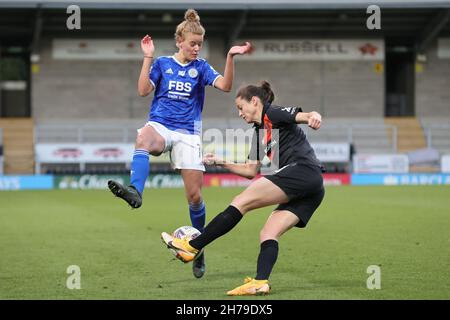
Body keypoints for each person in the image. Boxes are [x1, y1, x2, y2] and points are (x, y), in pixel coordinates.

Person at [107, 9, 252, 279]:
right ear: (179, 41)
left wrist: (231, 57)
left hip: (188, 133)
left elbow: (226, 86)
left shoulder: (202, 67)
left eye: (200, 44)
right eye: (192, 43)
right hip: (161, 125)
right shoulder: (162, 63)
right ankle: (135, 192)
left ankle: (199, 249)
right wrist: (147, 57)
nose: (197, 48)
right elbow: (142, 91)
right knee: (142, 138)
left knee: (194, 197)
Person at [161, 81, 325, 295]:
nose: (239, 113)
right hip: (312, 189)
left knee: (241, 201)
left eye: (241, 107)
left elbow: (303, 115)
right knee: (268, 232)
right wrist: (220, 162)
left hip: (302, 171)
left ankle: (192, 246)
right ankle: (260, 282)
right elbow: (250, 171)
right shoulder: (259, 134)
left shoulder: (272, 113)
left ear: (254, 102)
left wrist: (314, 116)